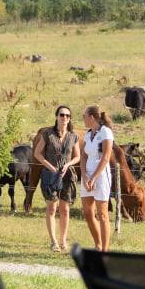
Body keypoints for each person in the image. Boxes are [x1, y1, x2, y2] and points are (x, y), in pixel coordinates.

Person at [32, 105, 80, 252]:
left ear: (70, 118)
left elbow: (77, 156)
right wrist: (50, 167)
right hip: (50, 174)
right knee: (52, 207)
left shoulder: (73, 136)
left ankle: (63, 241)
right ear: (57, 117)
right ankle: (53, 242)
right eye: (61, 115)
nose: (64, 118)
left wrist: (68, 164)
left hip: (67, 174)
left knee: (65, 209)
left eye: (67, 115)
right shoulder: (48, 134)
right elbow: (37, 153)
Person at [80, 105, 115, 253]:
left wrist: (94, 177)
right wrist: (84, 175)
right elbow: (83, 155)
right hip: (87, 175)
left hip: (101, 176)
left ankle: (104, 250)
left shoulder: (106, 132)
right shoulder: (88, 134)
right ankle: (98, 244)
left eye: (84, 116)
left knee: (102, 213)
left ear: (92, 117)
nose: (83, 119)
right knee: (87, 212)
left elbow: (106, 157)